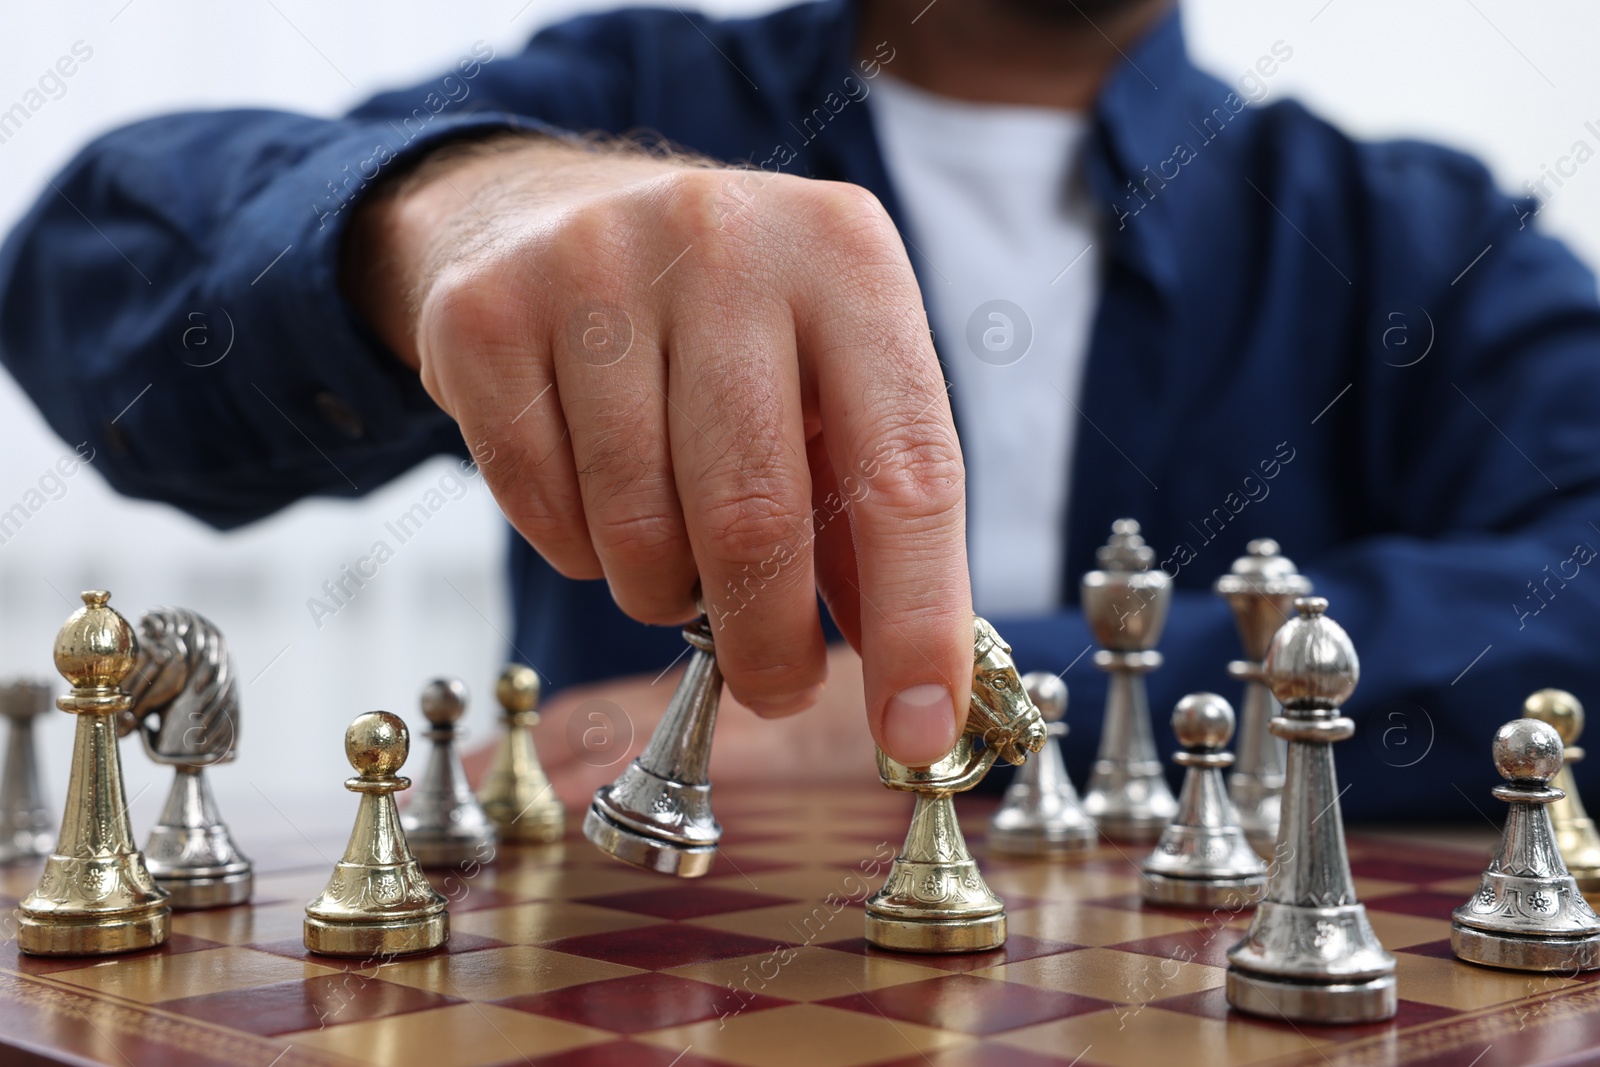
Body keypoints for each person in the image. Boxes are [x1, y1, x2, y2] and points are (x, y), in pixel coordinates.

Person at [4, 0, 1599, 818]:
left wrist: (958, 709)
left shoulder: (1416, 234)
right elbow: (85, 285)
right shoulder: (621, 99)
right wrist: (428, 213)